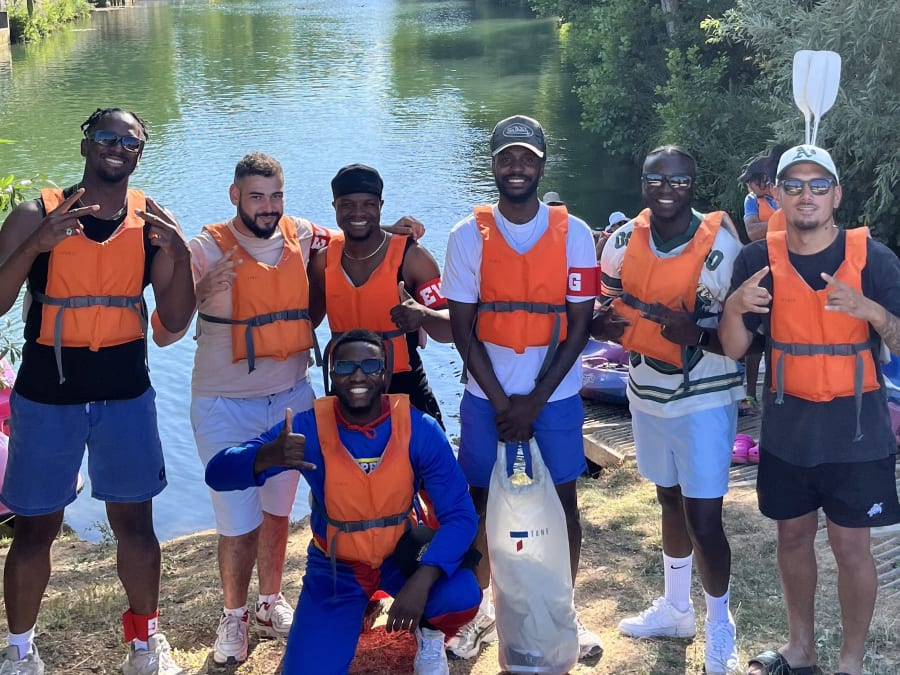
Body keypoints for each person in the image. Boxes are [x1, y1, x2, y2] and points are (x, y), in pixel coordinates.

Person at [152, 154, 425, 666]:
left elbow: (352, 228)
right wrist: (196, 294)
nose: (268, 207)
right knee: (237, 521)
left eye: (276, 196)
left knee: (279, 513)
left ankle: (269, 603)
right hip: (224, 404)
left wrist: (392, 228)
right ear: (235, 196)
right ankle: (233, 617)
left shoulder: (299, 233)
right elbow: (163, 333)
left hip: (292, 399)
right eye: (256, 196)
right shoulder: (204, 248)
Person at [0, 108, 195, 675]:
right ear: (86, 143)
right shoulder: (37, 213)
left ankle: (144, 644)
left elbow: (175, 324)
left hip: (125, 394)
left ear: (139, 153)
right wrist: (37, 243)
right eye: (107, 137)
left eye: (129, 141)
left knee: (136, 523)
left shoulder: (152, 222)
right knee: (36, 527)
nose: (117, 147)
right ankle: (20, 650)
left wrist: (179, 255)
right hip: (45, 394)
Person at [719, 144, 900, 675]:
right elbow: (732, 348)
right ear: (775, 194)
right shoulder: (756, 261)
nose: (806, 195)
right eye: (793, 185)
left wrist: (871, 312)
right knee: (792, 537)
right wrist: (732, 308)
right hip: (788, 428)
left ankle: (850, 662)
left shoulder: (876, 259)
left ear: (836, 195)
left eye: (818, 185)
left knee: (851, 547)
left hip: (858, 430)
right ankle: (800, 649)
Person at [204, 329, 481, 675]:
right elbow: (217, 473)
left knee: (461, 594)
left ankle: (429, 634)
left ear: (385, 373)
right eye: (346, 367)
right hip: (337, 568)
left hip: (401, 556)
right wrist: (265, 456)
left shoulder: (419, 428)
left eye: (370, 365)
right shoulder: (308, 430)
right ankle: (348, 616)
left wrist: (422, 581)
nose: (359, 375)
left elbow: (460, 515)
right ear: (331, 374)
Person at [442, 114, 602, 660]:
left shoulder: (575, 233)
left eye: (527, 158)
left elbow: (579, 325)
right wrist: (502, 399)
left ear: (542, 164)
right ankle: (481, 608)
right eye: (507, 157)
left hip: (552, 399)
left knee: (562, 506)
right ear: (493, 163)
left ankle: (565, 612)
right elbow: (462, 327)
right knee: (481, 505)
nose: (517, 167)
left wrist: (534, 400)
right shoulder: (467, 236)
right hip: (486, 398)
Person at [592, 145, 744, 674]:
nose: (666, 187)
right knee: (667, 500)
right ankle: (676, 609)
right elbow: (602, 304)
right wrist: (600, 326)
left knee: (705, 519)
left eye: (678, 180)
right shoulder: (618, 242)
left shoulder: (719, 245)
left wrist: (697, 333)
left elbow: (746, 335)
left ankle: (721, 623)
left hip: (704, 395)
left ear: (693, 184)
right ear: (642, 184)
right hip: (646, 389)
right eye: (656, 177)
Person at [308, 164, 451, 427]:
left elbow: (450, 329)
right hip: (346, 386)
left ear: (381, 205)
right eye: (347, 205)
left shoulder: (413, 258)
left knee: (429, 465)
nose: (358, 213)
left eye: (368, 204)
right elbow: (308, 321)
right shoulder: (323, 262)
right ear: (334, 207)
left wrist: (423, 316)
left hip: (403, 384)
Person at [737, 155, 780, 417]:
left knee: (780, 333)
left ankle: (779, 392)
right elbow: (753, 232)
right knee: (754, 332)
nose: (747, 187)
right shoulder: (752, 201)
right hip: (760, 270)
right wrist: (785, 223)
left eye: (750, 182)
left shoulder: (789, 193)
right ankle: (750, 394)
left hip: (788, 270)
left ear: (763, 180)